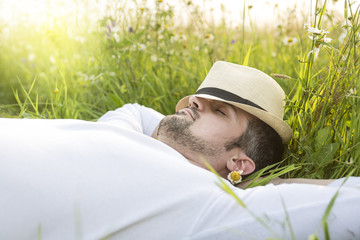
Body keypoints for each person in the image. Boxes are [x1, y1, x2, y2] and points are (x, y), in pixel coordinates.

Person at [0, 61, 359, 239]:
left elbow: (351, 202)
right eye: (201, 99)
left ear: (239, 160)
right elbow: (138, 111)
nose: (197, 103)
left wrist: (259, 186)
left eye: (219, 110)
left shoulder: (211, 204)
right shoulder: (125, 130)